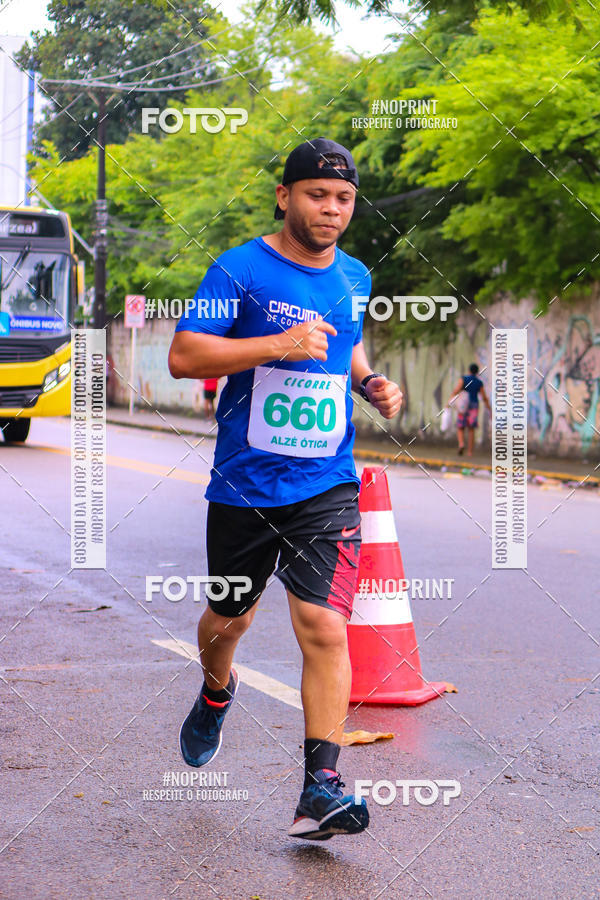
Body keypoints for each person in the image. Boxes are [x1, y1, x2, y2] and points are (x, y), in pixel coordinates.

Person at [168, 137, 403, 841]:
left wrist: (367, 381)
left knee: (325, 626)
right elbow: (184, 355)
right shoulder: (240, 269)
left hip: (326, 481)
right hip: (245, 487)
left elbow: (346, 340)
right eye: (317, 196)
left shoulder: (356, 273)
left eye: (343, 200)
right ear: (285, 196)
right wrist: (275, 344)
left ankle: (320, 789)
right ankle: (217, 690)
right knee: (228, 622)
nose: (331, 210)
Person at [448, 363, 491, 456]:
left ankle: (461, 443)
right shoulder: (479, 382)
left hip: (463, 406)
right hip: (474, 406)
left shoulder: (464, 379)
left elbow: (456, 390)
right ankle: (470, 452)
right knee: (471, 428)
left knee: (460, 426)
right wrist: (489, 408)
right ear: (477, 372)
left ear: (469, 370)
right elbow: (484, 397)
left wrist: (450, 400)